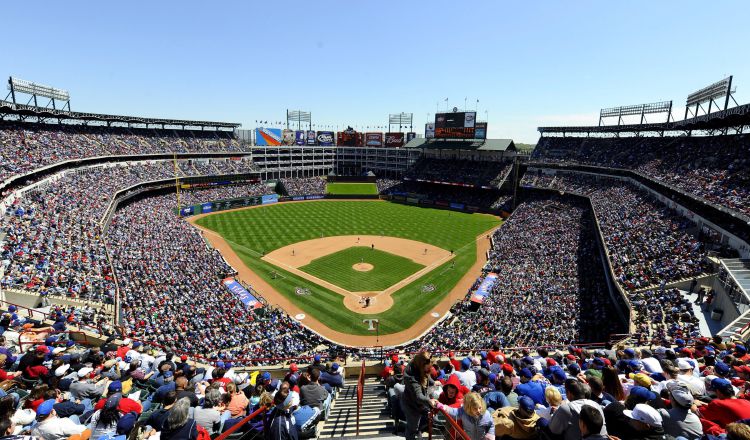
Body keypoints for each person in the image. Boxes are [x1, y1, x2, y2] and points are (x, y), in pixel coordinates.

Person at [402, 351, 435, 440]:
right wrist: (429, 401)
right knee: (412, 428)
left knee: (421, 423)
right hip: (411, 405)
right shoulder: (411, 377)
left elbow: (427, 376)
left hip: (419, 403)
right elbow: (418, 396)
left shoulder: (417, 363)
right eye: (428, 368)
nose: (429, 369)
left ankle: (418, 431)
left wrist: (433, 382)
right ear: (421, 366)